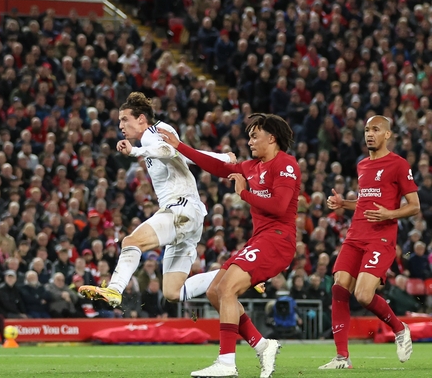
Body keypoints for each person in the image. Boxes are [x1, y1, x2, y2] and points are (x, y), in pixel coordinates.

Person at [159, 113, 298, 378]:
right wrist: (180, 146)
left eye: (254, 136)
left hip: (279, 238)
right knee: (214, 291)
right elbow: (216, 166)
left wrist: (243, 194)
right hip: (260, 239)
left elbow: (280, 206)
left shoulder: (286, 164)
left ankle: (226, 362)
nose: (250, 142)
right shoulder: (252, 167)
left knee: (227, 289)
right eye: (248, 137)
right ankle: (262, 344)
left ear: (272, 138)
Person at [79, 92, 235, 308]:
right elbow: (185, 154)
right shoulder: (158, 134)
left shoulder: (153, 133)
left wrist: (135, 151)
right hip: (189, 216)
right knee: (173, 291)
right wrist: (224, 158)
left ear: (141, 118)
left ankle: (114, 290)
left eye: (125, 119)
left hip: (181, 207)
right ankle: (239, 272)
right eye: (119, 121)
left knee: (131, 242)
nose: (121, 126)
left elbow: (167, 149)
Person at [318, 116, 419, 369]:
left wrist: (389, 214)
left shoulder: (398, 164)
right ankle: (342, 358)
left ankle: (399, 328)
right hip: (355, 235)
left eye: (375, 130)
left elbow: (415, 206)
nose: (369, 134)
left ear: (387, 134)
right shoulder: (362, 165)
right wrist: (343, 204)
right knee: (339, 286)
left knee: (363, 295)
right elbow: (364, 203)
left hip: (381, 238)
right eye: (366, 130)